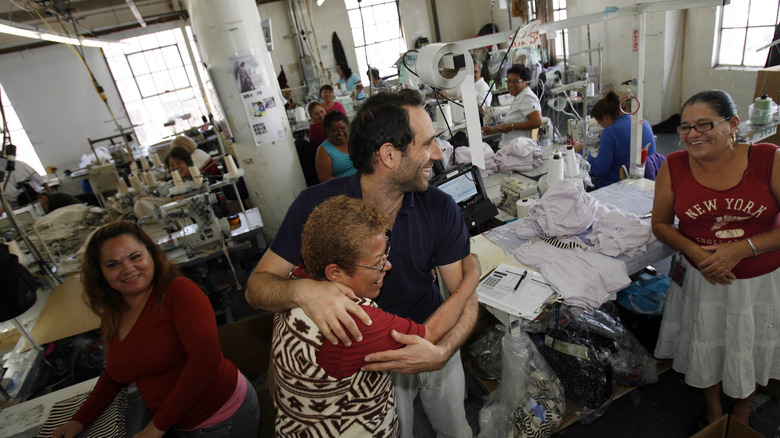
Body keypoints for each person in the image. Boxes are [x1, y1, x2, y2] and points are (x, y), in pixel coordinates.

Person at [245, 90, 480, 438]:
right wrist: (305, 290)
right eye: (427, 143)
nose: (437, 153)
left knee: (454, 428)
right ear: (388, 155)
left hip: (433, 335)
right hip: (370, 358)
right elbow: (256, 288)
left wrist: (441, 352)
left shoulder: (439, 207)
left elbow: (464, 297)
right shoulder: (318, 208)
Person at [273, 195, 478, 436]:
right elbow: (429, 333)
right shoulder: (354, 320)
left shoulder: (296, 285)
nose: (388, 266)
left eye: (386, 254)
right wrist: (472, 276)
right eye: (378, 262)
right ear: (335, 272)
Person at [50, 221, 259, 438]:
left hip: (219, 419)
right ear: (99, 272)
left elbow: (205, 360)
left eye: (135, 257)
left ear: (151, 254)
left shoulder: (179, 293)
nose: (128, 269)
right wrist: (79, 420)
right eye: (113, 264)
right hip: (180, 422)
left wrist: (157, 427)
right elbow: (114, 375)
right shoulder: (114, 313)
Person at [652, 89, 780, 431]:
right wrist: (696, 253)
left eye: (704, 124)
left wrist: (741, 249)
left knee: (749, 343)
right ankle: (712, 409)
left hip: (757, 283)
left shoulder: (769, 159)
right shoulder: (674, 165)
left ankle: (741, 411)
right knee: (704, 341)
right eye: (685, 127)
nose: (693, 134)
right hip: (703, 278)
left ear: (733, 124)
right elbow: (661, 224)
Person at [573, 91, 657, 188]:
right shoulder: (643, 122)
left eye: (599, 123)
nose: (600, 126)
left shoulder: (610, 132)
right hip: (645, 180)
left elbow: (599, 170)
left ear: (606, 117)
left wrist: (583, 152)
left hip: (616, 185)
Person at [481, 65, 542, 148]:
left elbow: (537, 121)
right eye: (509, 81)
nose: (510, 85)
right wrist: (493, 129)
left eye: (515, 81)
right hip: (511, 147)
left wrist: (511, 126)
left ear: (526, 82)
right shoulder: (519, 96)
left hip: (517, 150)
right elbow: (511, 124)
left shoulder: (526, 96)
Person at [315, 111, 357, 182]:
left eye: (343, 128)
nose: (340, 132)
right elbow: (324, 178)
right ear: (327, 132)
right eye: (335, 130)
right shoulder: (323, 150)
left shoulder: (355, 138)